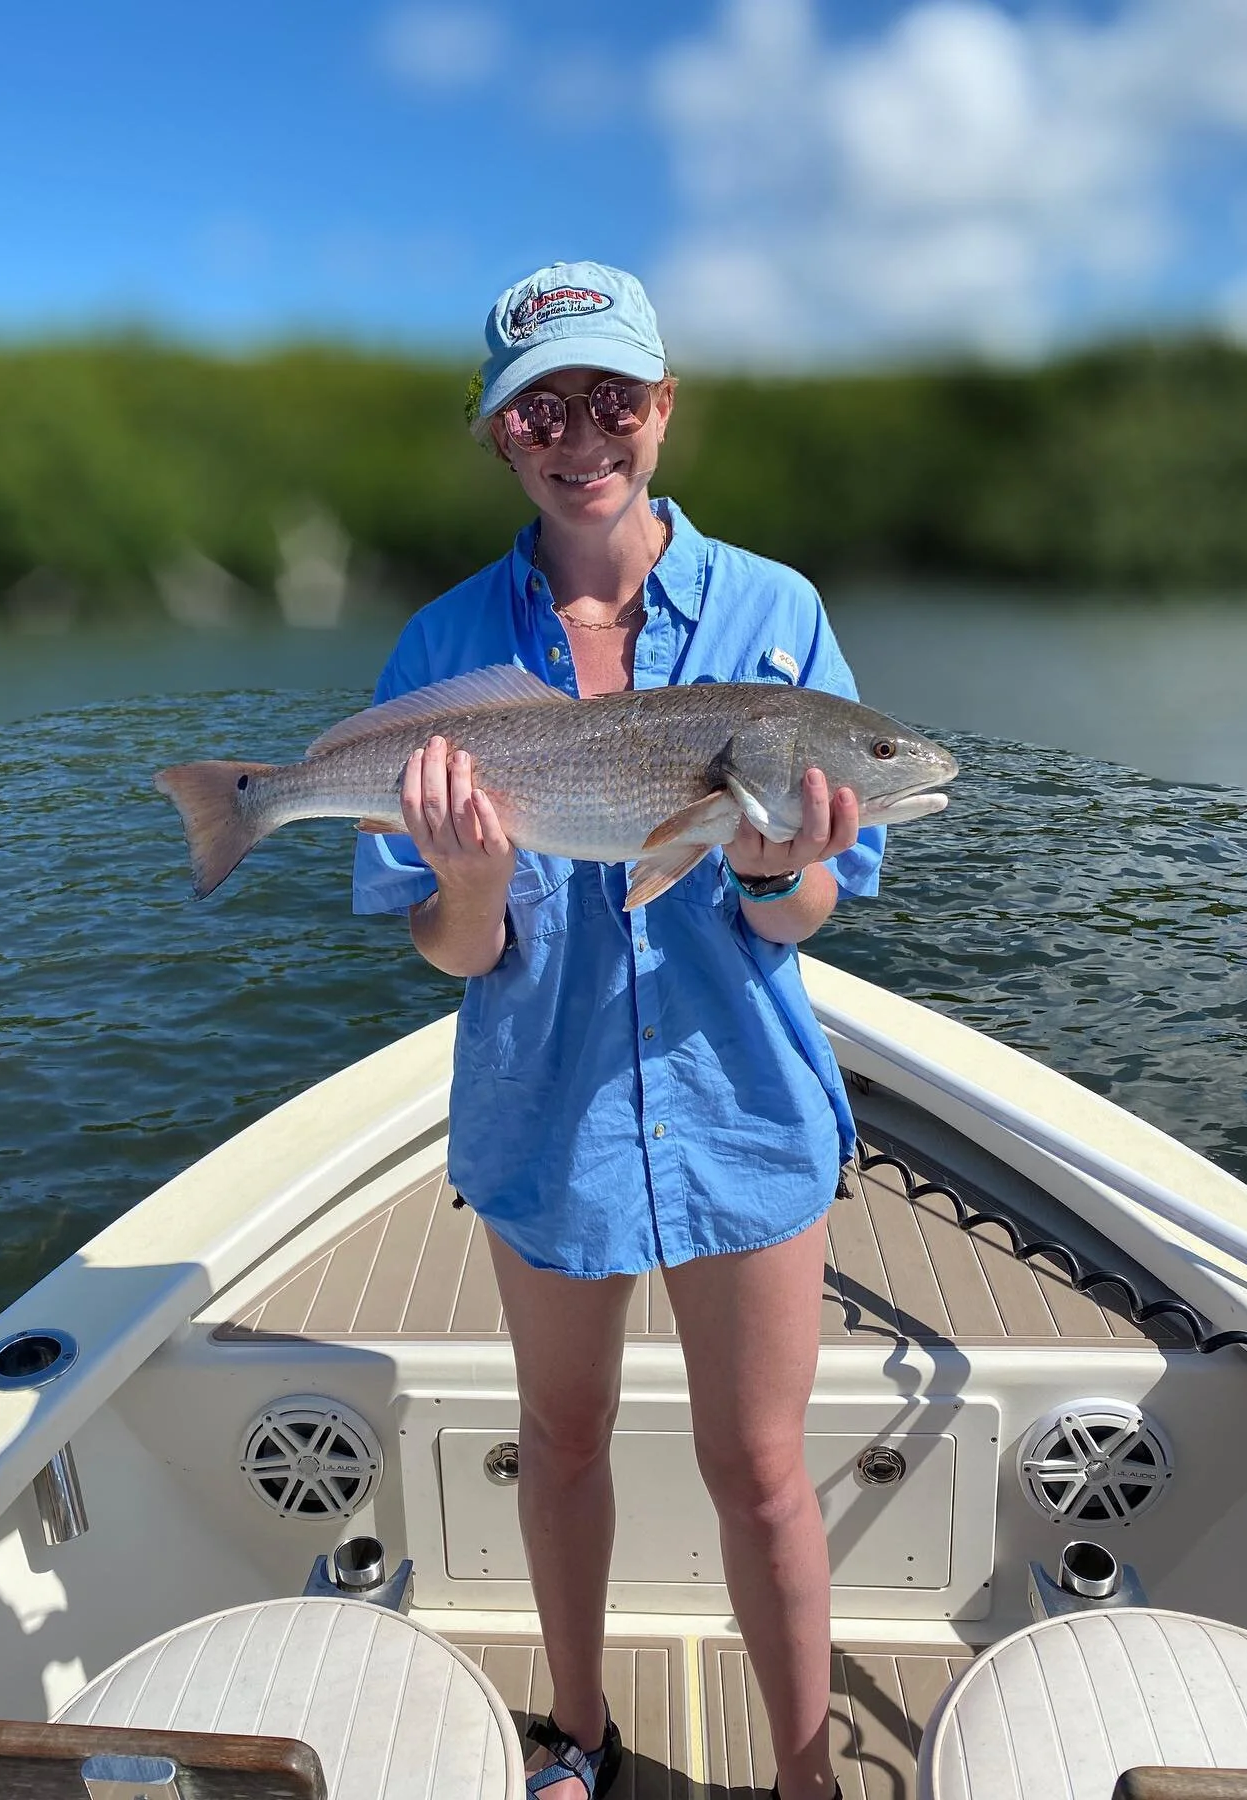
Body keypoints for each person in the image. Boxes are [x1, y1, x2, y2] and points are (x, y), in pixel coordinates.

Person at [353, 260, 882, 1800]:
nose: (582, 434)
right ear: (500, 432)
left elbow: (808, 913)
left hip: (740, 1106)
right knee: (562, 1439)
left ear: (664, 409)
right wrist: (469, 878)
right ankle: (575, 1733)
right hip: (547, 1111)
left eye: (615, 399)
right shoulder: (445, 650)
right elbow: (454, 953)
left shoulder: (777, 617)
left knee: (763, 1470)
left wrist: (781, 866)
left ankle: (804, 1773)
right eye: (543, 406)